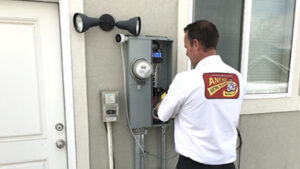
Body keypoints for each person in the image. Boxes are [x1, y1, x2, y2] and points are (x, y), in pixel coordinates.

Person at [157, 20, 246, 169]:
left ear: (196, 44)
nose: (186, 53)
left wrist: (160, 104)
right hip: (227, 165)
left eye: (186, 47)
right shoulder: (237, 78)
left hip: (193, 165)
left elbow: (163, 115)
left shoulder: (186, 79)